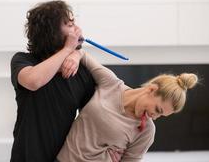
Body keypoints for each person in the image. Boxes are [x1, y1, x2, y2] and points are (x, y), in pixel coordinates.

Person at [56, 50, 198, 162]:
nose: (154, 117)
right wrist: (75, 56)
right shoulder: (111, 84)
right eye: (157, 110)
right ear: (152, 90)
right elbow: (83, 54)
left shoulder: (147, 131)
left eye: (161, 115)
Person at [10, 0, 95, 162]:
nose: (77, 30)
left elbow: (96, 115)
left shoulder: (81, 71)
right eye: (70, 25)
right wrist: (69, 50)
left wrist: (78, 54)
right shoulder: (23, 60)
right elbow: (33, 81)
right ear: (52, 31)